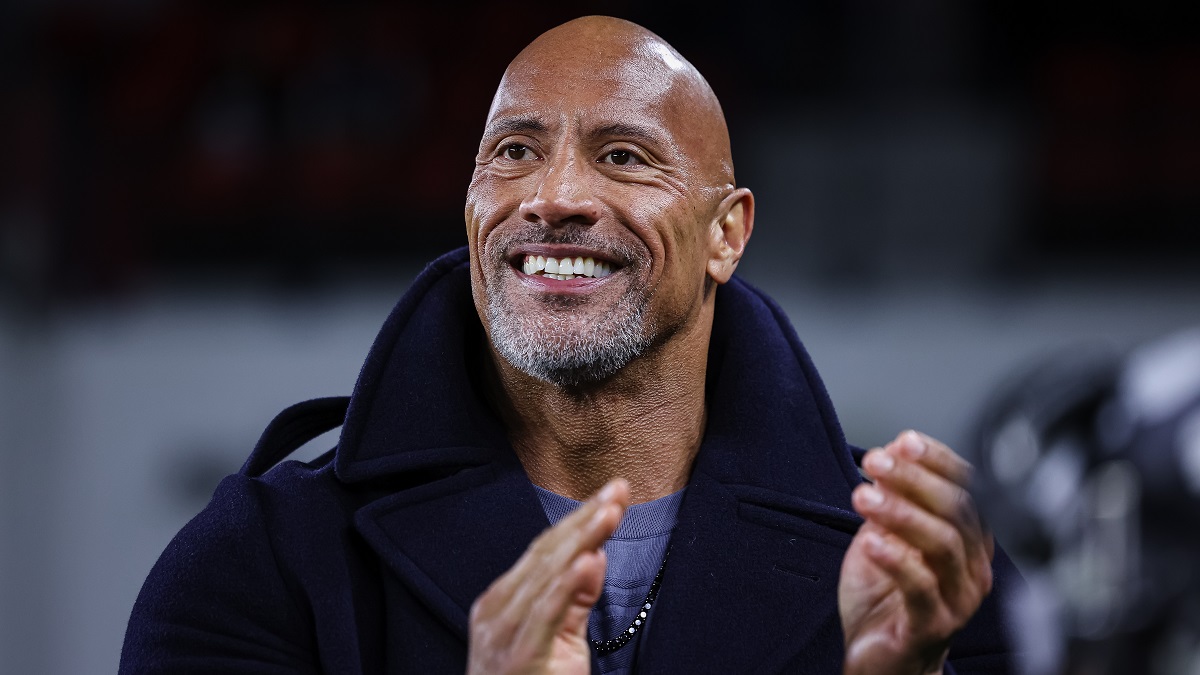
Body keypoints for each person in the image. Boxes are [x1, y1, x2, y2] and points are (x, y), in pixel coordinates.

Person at [120, 16, 1020, 674]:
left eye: (624, 156)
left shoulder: (931, 578)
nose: (551, 196)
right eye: (512, 151)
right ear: (469, 207)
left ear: (727, 234)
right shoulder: (256, 560)